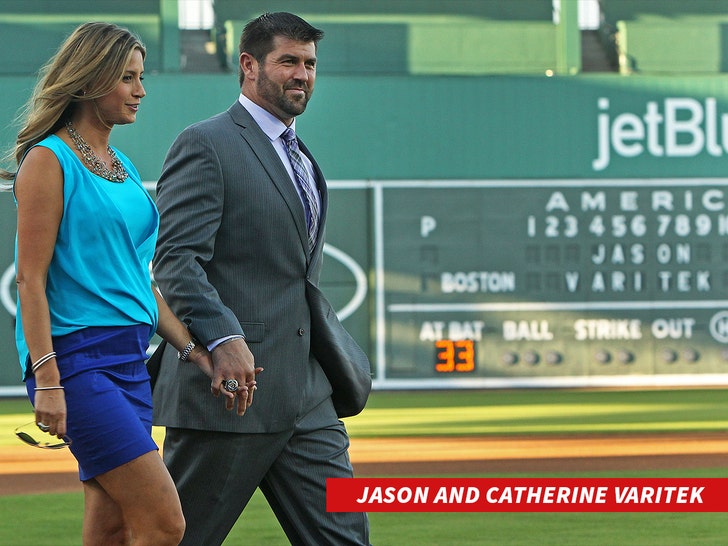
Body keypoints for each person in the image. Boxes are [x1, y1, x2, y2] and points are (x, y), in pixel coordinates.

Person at [1, 22, 232, 546]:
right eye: (127, 78)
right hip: (78, 365)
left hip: (130, 365)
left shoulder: (122, 167)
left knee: (111, 528)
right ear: (89, 81)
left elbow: (140, 283)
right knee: (164, 523)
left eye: (141, 77)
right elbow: (30, 281)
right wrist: (49, 379)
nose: (140, 91)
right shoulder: (48, 160)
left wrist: (196, 352)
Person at [152, 11, 370, 546]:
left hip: (309, 398)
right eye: (288, 61)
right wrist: (225, 338)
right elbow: (177, 260)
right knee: (181, 539)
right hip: (230, 396)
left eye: (311, 64)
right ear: (249, 66)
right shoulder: (206, 144)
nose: (302, 75)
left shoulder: (302, 157)